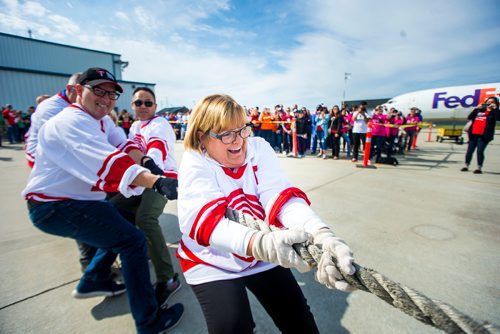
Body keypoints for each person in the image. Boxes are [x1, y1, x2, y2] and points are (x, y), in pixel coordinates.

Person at [21, 67, 183, 333]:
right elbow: (111, 164)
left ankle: (94, 278)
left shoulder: (103, 120)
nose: (106, 98)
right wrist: (157, 181)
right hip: (53, 205)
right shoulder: (69, 121)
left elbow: (123, 146)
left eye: (111, 94)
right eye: (98, 90)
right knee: (132, 240)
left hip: (80, 199)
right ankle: (149, 321)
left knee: (121, 224)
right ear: (77, 91)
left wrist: (145, 161)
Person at [177, 93, 355, 333]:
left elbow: (278, 197)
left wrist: (321, 233)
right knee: (232, 326)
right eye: (225, 133)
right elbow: (203, 222)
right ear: (202, 136)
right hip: (212, 258)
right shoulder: (195, 159)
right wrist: (260, 243)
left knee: (298, 318)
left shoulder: (258, 149)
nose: (238, 140)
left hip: (262, 248)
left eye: (242, 129)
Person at [109, 87, 182, 308]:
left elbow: (155, 148)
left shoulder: (160, 124)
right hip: (141, 178)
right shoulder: (133, 126)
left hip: (163, 178)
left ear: (155, 106)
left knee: (145, 218)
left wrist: (152, 171)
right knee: (111, 209)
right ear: (131, 106)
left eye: (148, 103)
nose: (143, 107)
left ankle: (168, 280)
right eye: (138, 103)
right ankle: (137, 251)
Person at [461, 96, 500, 174]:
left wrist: (495, 109)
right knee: (469, 151)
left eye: (492, 102)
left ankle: (479, 167)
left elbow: (498, 118)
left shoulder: (494, 112)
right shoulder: (480, 110)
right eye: (488, 101)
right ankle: (466, 165)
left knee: (480, 151)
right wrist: (476, 108)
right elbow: (469, 117)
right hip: (473, 134)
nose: (490, 103)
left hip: (484, 136)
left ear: (495, 103)